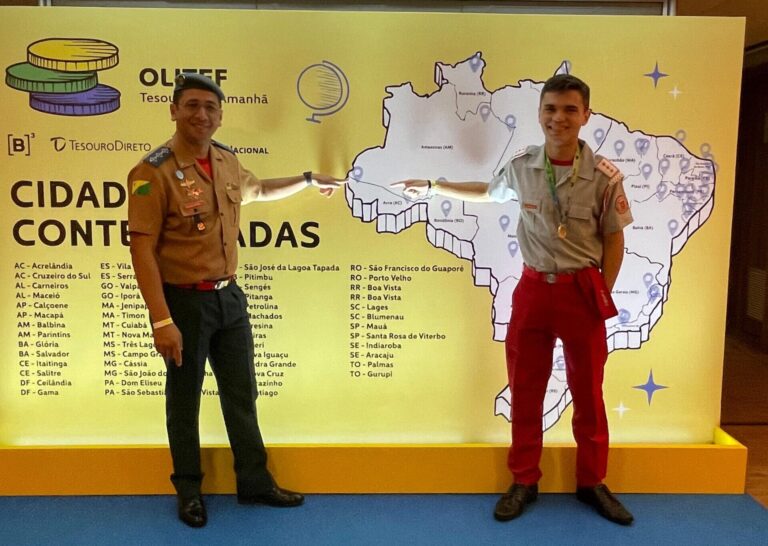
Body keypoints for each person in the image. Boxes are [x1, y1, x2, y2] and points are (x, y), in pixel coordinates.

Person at [392, 74, 634, 525]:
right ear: (539, 113)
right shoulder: (523, 166)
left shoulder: (604, 177)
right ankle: (524, 478)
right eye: (550, 109)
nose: (559, 118)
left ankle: (592, 481)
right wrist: (432, 186)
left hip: (582, 293)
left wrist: (603, 291)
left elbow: (614, 239)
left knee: (589, 394)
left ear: (586, 115)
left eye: (569, 109)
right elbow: (487, 193)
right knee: (525, 391)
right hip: (532, 293)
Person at [127, 72, 344, 528]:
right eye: (192, 105)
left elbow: (258, 190)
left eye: (210, 107)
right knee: (184, 400)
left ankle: (254, 482)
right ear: (174, 110)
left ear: (220, 116)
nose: (201, 114)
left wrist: (307, 179)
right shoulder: (152, 172)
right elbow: (141, 248)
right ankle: (189, 489)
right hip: (183, 303)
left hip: (229, 299)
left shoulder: (225, 161)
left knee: (242, 393)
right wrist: (161, 320)